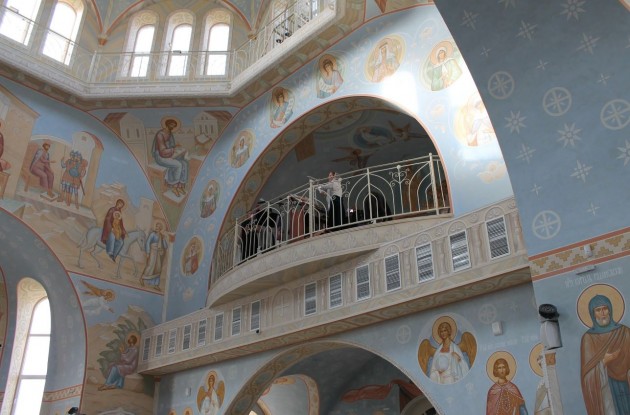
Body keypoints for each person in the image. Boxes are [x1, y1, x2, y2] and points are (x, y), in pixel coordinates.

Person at [580, 294, 630, 414]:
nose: (602, 313)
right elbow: (586, 378)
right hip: (606, 392)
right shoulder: (588, 338)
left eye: (605, 308)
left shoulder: (624, 332)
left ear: (610, 310)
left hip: (626, 386)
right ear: (593, 314)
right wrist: (604, 362)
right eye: (598, 310)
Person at [152, 118, 189, 197]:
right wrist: (173, 150)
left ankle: (180, 186)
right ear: (167, 124)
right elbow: (162, 151)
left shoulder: (170, 133)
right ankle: (174, 187)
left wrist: (176, 147)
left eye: (174, 125)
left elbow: (171, 146)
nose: (173, 127)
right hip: (160, 157)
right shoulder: (160, 134)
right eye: (171, 125)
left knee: (185, 163)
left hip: (169, 154)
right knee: (178, 165)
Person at [140, 222, 168, 290]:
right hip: (152, 252)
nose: (157, 228)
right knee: (150, 266)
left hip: (159, 254)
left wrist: (163, 239)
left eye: (158, 227)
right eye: (156, 226)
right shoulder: (152, 234)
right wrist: (148, 252)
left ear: (161, 228)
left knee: (158, 269)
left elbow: (165, 246)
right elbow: (148, 243)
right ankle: (142, 278)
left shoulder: (162, 236)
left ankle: (156, 284)